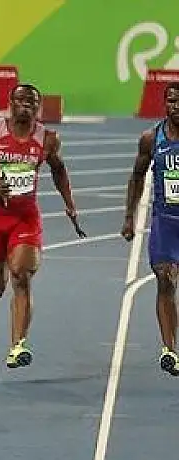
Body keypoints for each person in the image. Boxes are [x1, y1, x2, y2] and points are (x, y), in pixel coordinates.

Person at [0, 82, 85, 369]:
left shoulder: (48, 139)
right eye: (20, 101)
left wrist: (70, 204)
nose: (26, 106)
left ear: (38, 107)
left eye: (32, 102)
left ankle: (18, 345)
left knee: (22, 277)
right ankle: (6, 262)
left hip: (25, 218)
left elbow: (59, 170)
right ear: (11, 103)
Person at [122, 81, 179, 375]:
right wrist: (129, 216)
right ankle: (170, 349)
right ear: (165, 104)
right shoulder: (151, 138)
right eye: (172, 101)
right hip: (165, 223)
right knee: (165, 280)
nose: (176, 107)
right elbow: (137, 176)